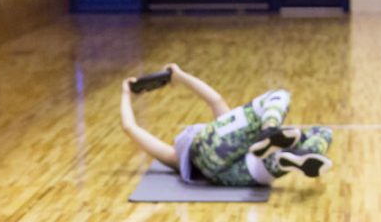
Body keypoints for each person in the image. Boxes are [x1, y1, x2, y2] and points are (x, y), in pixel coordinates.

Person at [120, 64, 334, 187]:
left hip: (227, 175)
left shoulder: (176, 157)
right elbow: (215, 99)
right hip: (231, 162)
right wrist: (181, 77)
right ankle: (271, 130)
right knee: (279, 96)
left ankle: (288, 157)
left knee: (319, 133)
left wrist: (126, 94)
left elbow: (130, 127)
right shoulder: (218, 133)